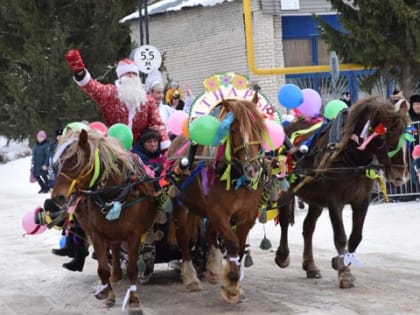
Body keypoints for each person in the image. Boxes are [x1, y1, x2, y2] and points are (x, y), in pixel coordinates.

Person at [64, 50, 170, 152]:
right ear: (120, 77)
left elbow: (157, 124)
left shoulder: (147, 100)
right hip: (114, 147)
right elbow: (92, 87)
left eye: (134, 74)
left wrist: (165, 145)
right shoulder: (110, 93)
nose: (131, 76)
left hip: (141, 149)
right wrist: (80, 72)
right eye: (127, 74)